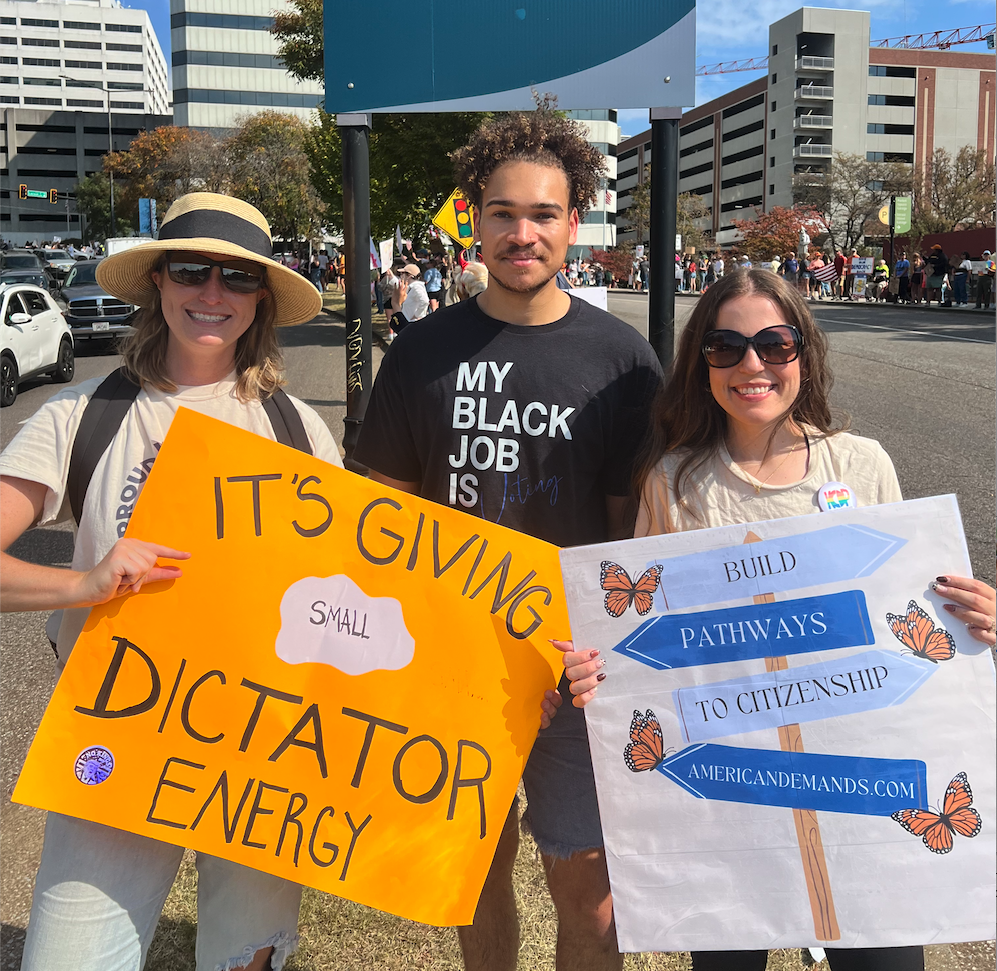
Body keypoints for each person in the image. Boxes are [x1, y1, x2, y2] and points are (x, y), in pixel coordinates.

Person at [558, 269, 997, 971]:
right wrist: (596, 673)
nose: (751, 365)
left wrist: (975, 618)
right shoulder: (672, 481)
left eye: (773, 343)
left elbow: (911, 611)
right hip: (734, 800)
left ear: (804, 352)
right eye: (724, 346)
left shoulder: (861, 466)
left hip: (860, 789)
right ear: (700, 363)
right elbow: (634, 645)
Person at [0, 192, 345, 971]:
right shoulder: (79, 415)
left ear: (261, 300)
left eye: (237, 277)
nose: (212, 293)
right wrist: (81, 585)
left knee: (244, 957)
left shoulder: (298, 430)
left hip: (263, 746)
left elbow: (347, 593)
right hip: (113, 736)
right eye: (191, 269)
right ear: (158, 281)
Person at [352, 108, 662, 971]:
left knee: (590, 895)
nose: (521, 233)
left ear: (573, 221)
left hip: (575, 670)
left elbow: (624, 531)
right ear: (472, 217)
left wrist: (606, 653)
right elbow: (387, 516)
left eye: (542, 215)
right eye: (502, 212)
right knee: (475, 878)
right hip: (450, 664)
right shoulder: (419, 353)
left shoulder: (624, 362)